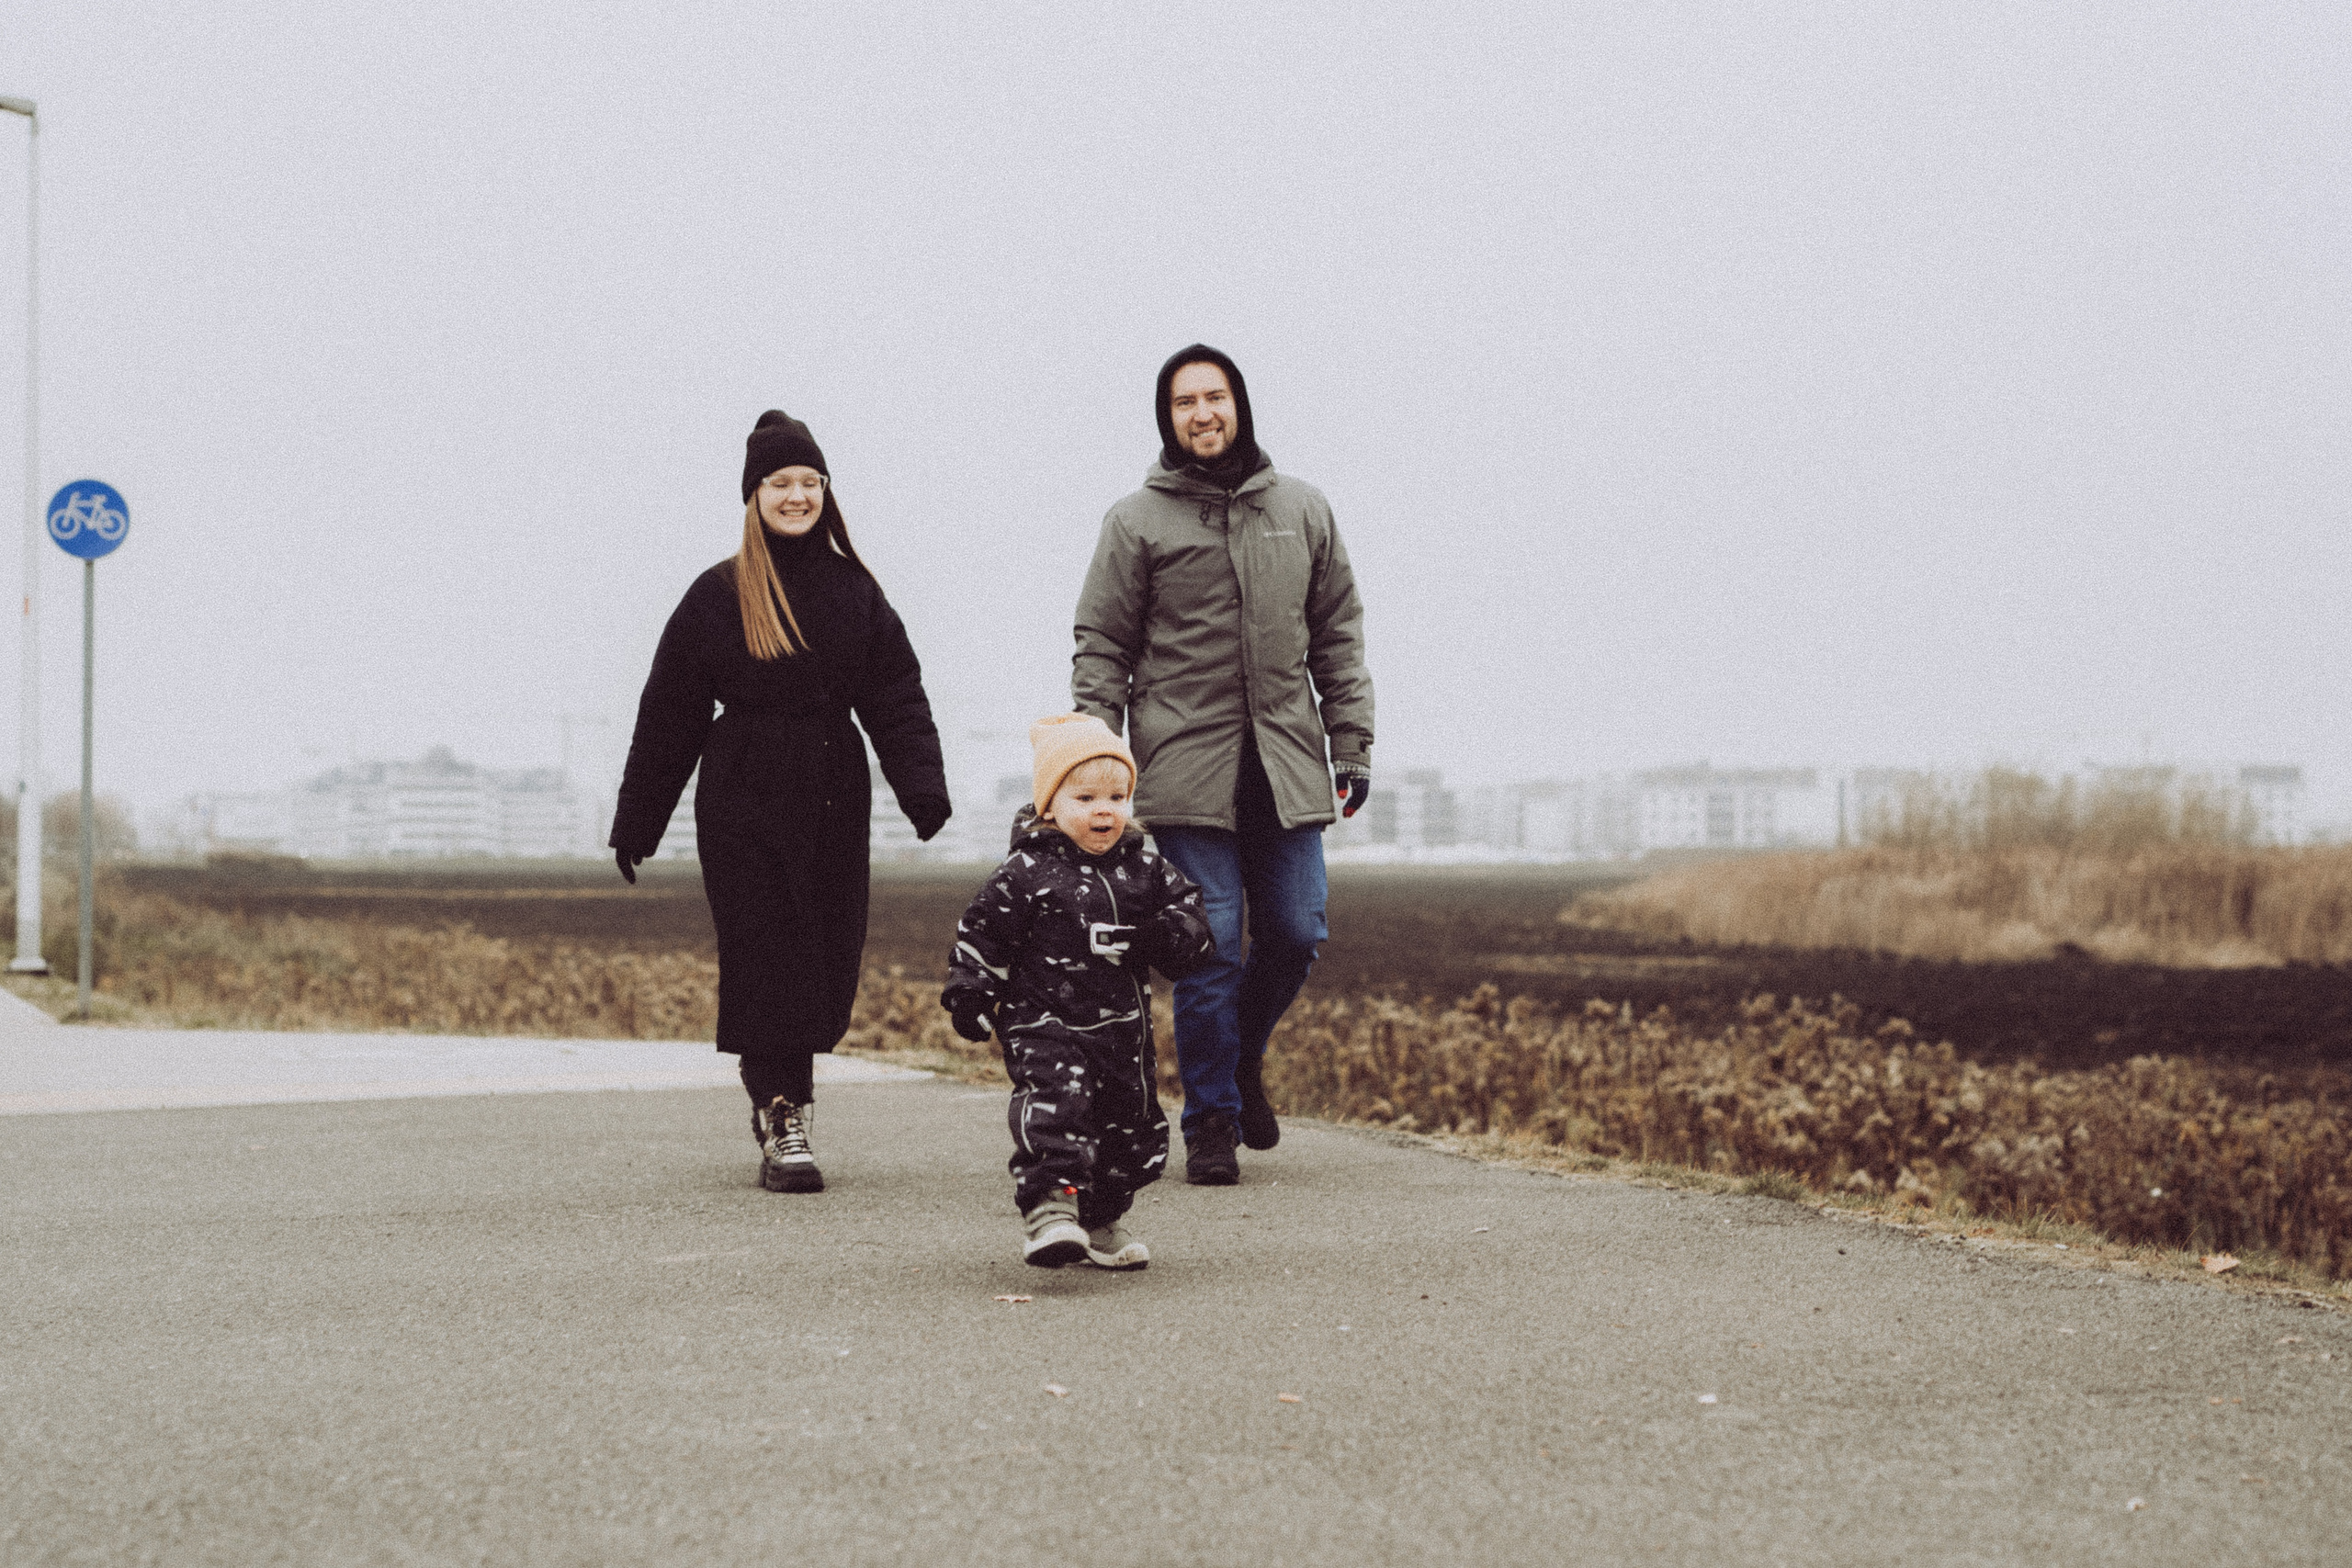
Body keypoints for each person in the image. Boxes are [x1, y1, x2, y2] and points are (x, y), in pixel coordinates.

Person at [611, 410, 950, 1195]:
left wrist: (922, 789)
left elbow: (897, 694)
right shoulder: (718, 593)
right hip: (744, 797)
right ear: (753, 494)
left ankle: (782, 1097)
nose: (796, 495)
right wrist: (638, 821)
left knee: (828, 959)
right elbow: (670, 714)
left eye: (809, 482)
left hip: (834, 793)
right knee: (767, 957)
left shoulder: (855, 591)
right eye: (781, 483)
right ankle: (782, 1110)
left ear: (826, 493)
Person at [1071, 344, 1374, 1185]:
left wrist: (1350, 742)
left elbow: (1339, 634)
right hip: (1184, 766)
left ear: (1239, 403)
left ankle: (1239, 1064)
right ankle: (1209, 1119)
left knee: (1298, 930)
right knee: (1210, 947)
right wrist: (1098, 758)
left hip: (1284, 761)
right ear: (1167, 420)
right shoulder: (1136, 522)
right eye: (1183, 403)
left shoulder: (1302, 510)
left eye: (1215, 397)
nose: (1202, 413)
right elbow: (1102, 646)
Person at [941, 714, 1214, 1268]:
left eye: (1117, 795)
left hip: (1122, 1029)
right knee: (1057, 1111)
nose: (1104, 809)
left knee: (1130, 1129)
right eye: (1085, 797)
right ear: (1050, 805)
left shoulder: (1148, 870)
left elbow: (1191, 927)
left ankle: (1100, 1219)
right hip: (1045, 1023)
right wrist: (970, 994)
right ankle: (1050, 1211)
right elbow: (982, 933)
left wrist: (1165, 936)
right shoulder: (1025, 872)